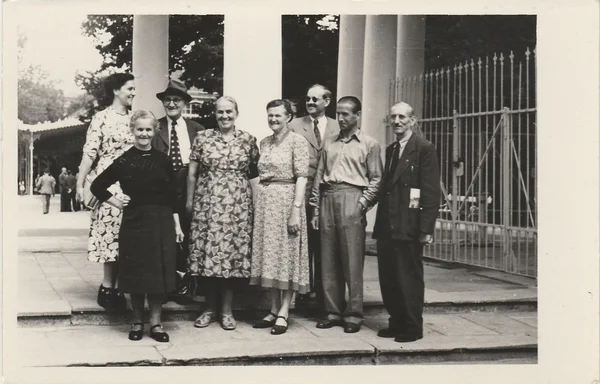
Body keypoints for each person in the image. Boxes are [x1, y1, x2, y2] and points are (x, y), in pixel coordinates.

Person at [91, 110, 184, 342]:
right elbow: (97, 185)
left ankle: (156, 324)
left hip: (161, 222)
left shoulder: (163, 159)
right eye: (139, 129)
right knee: (136, 273)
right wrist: (116, 202)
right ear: (132, 131)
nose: (144, 133)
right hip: (135, 222)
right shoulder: (124, 160)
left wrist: (178, 226)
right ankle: (136, 322)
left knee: (157, 275)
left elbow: (173, 196)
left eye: (148, 129)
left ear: (154, 131)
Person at [310, 96, 383, 333]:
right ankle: (332, 311)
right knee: (328, 259)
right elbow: (319, 177)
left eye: (346, 114)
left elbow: (377, 179)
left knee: (352, 260)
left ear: (357, 115)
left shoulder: (369, 144)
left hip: (353, 198)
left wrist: (362, 204)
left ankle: (353, 314)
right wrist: (315, 207)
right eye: (338, 113)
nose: (340, 118)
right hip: (328, 198)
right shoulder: (329, 143)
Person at [186, 96, 259, 331]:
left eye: (229, 112)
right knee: (208, 256)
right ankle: (208, 309)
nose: (224, 116)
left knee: (230, 258)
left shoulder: (248, 140)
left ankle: (227, 311)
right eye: (220, 112)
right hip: (207, 205)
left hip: (237, 207)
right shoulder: (203, 138)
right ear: (214, 114)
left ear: (236, 113)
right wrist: (190, 201)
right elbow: (192, 173)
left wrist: (255, 206)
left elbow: (254, 175)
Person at [373, 102, 441, 343]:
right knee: (389, 277)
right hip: (388, 225)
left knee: (408, 277)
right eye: (393, 117)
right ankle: (396, 321)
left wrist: (426, 228)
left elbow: (430, 191)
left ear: (413, 120)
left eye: (402, 117)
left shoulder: (424, 148)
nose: (397, 121)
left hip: (409, 225)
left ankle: (412, 326)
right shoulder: (391, 149)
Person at [75, 72, 135, 310]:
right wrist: (80, 184)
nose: (133, 93)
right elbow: (90, 152)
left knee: (129, 234)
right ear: (116, 90)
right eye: (129, 88)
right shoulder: (101, 118)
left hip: (132, 182)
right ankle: (108, 286)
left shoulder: (135, 119)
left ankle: (121, 285)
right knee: (110, 232)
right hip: (108, 182)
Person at [250, 99, 310, 335]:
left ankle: (285, 311)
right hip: (266, 204)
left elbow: (302, 177)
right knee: (270, 256)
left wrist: (296, 210)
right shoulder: (264, 142)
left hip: (287, 203)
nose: (273, 119)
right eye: (270, 115)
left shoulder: (298, 141)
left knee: (286, 256)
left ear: (288, 117)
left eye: (278, 115)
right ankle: (273, 309)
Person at [152, 79, 205, 304]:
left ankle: (185, 286)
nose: (172, 103)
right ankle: (164, 286)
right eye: (168, 100)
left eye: (176, 100)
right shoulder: (155, 126)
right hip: (163, 184)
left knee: (188, 232)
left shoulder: (197, 129)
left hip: (188, 183)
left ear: (184, 103)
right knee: (164, 234)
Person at [289, 84, 339, 308]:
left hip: (328, 196)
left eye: (315, 99)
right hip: (301, 193)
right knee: (302, 244)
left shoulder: (338, 127)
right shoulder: (294, 125)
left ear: (326, 102)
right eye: (307, 99)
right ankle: (302, 290)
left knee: (325, 246)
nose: (310, 102)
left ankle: (323, 294)